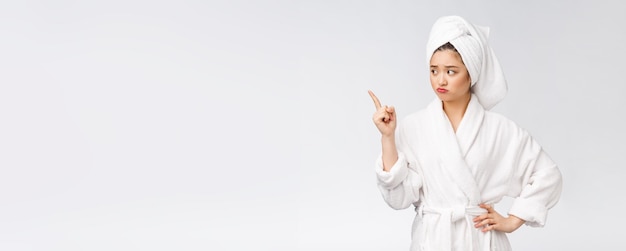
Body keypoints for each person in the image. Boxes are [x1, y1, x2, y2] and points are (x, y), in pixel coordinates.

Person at [368, 16, 562, 251]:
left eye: (451, 71)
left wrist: (513, 219)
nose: (440, 80)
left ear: (471, 74)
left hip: (481, 240)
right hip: (433, 241)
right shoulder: (413, 127)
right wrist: (387, 137)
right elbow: (398, 198)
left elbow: (548, 175)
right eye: (434, 70)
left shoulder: (500, 130)